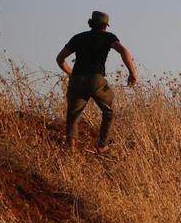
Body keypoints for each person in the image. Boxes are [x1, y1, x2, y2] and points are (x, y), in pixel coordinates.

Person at [55, 11, 137, 152]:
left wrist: (71, 74)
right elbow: (124, 51)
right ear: (105, 26)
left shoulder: (78, 37)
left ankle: (71, 148)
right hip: (96, 80)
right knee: (109, 110)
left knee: (73, 115)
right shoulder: (108, 37)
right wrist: (132, 72)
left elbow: (60, 59)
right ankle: (102, 145)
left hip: (76, 80)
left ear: (91, 23)